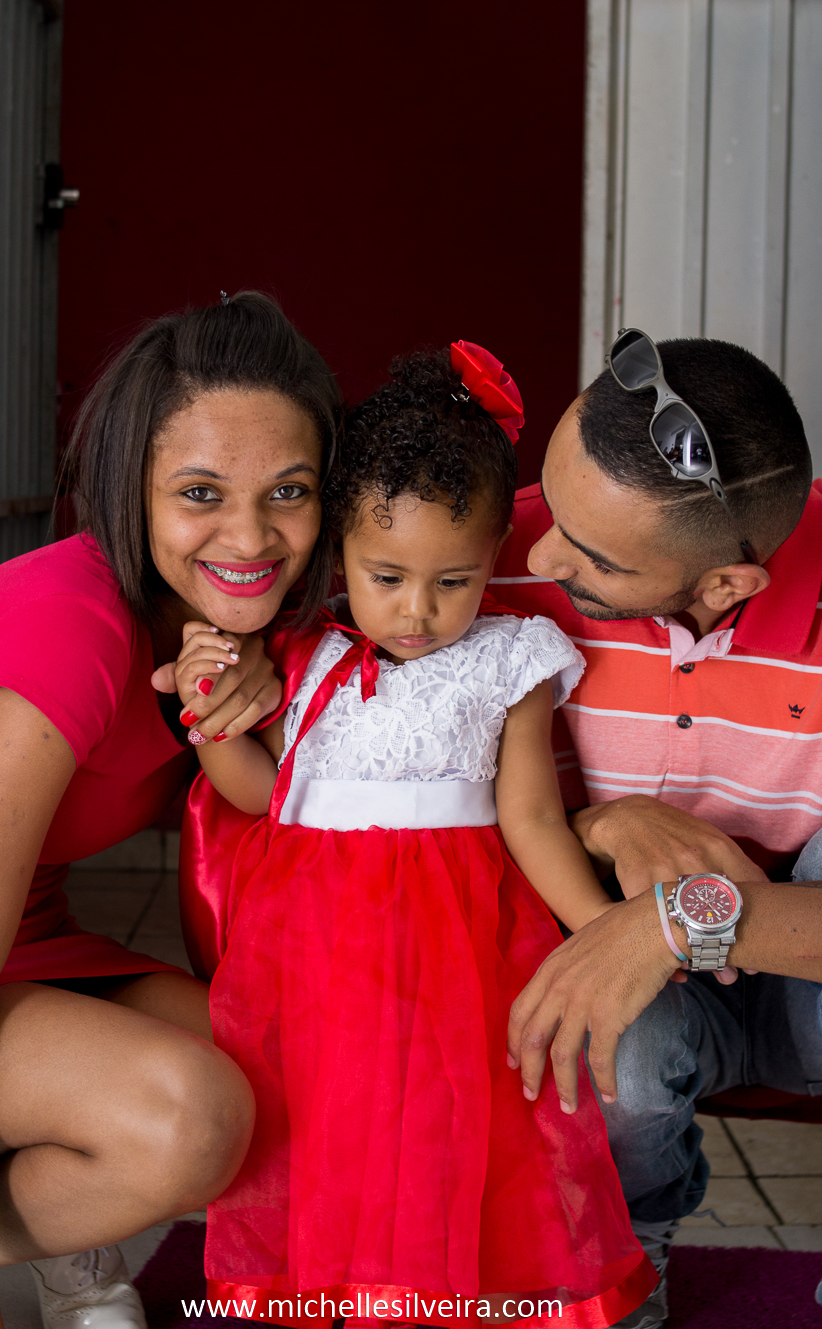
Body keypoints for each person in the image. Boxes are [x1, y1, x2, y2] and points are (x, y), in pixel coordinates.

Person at [175, 344, 656, 1328]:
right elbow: (263, 794)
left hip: (457, 944)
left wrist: (605, 932)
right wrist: (211, 718)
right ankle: (332, 1293)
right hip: (314, 947)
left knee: (458, 1129)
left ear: (493, 559)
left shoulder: (508, 662)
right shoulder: (302, 653)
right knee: (326, 1128)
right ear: (341, 550)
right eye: (386, 576)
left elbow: (528, 818)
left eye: (456, 580)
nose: (419, 611)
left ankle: (445, 1300)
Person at [0, 293, 342, 1329]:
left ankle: (63, 1237)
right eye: (201, 492)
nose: (251, 534)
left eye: (288, 492)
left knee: (303, 1079)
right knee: (187, 1117)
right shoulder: (71, 630)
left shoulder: (252, 634)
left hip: (18, 951)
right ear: (131, 493)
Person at [493, 332, 822, 1329]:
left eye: (588, 558)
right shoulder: (486, 557)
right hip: (644, 997)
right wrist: (601, 823)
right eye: (550, 497)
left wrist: (673, 922)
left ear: (727, 585)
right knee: (611, 1045)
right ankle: (630, 1254)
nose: (538, 553)